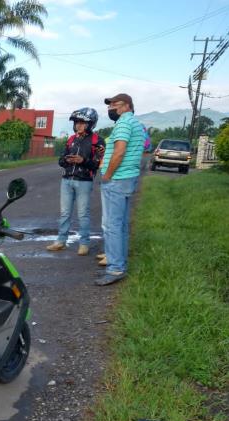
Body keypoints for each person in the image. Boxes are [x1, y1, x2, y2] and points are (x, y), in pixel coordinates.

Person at [95, 93, 145, 286]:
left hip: (116, 180)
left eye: (115, 104)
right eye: (110, 105)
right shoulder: (136, 124)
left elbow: (120, 151)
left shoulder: (124, 123)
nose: (111, 108)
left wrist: (107, 175)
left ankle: (115, 268)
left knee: (112, 226)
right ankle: (120, 264)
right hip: (127, 179)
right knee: (121, 225)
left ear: (127, 106)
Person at [46, 108, 105, 256]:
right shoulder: (71, 139)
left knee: (83, 214)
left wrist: (82, 161)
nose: (78, 125)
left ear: (90, 124)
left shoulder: (97, 141)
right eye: (76, 122)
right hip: (66, 180)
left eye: (82, 123)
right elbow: (60, 160)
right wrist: (66, 160)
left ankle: (84, 244)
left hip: (84, 181)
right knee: (64, 213)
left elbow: (98, 164)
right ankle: (61, 241)